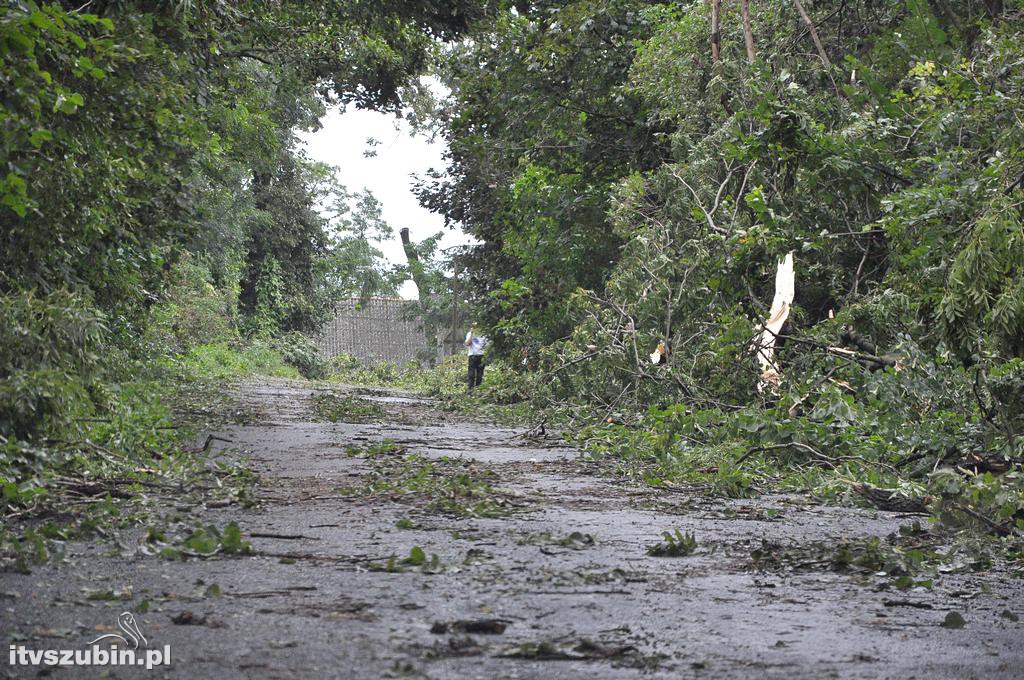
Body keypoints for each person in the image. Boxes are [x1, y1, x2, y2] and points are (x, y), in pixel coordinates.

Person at [464, 322, 488, 390]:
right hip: (472, 355)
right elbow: (467, 344)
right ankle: (470, 390)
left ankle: (478, 389)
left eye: (476, 327)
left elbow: (487, 346)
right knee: (471, 374)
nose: (475, 328)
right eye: (474, 327)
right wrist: (471, 334)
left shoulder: (484, 335)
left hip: (481, 356)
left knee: (480, 374)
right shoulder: (469, 334)